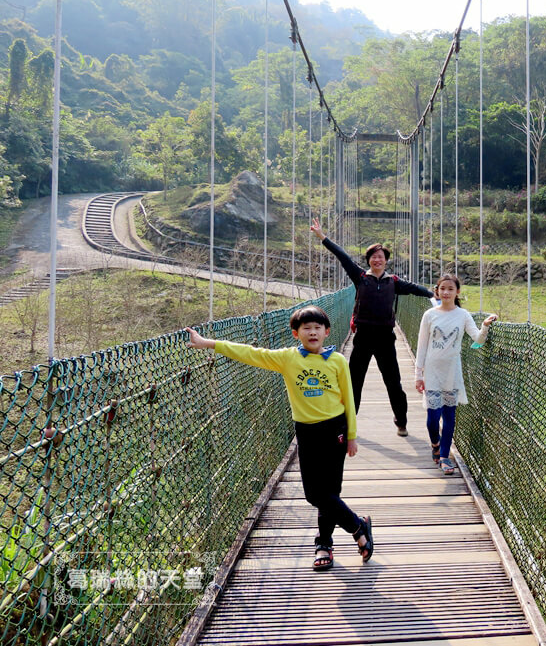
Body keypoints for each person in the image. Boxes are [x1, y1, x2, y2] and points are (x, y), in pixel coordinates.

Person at [184, 306, 373, 572]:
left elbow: (349, 400)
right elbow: (251, 354)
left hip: (335, 429)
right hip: (307, 432)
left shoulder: (338, 360)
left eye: (318, 327)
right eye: (306, 328)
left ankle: (324, 544)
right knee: (314, 494)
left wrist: (351, 435)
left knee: (329, 492)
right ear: (296, 334)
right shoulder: (287, 358)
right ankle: (357, 525)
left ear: (327, 332)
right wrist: (209, 344)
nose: (313, 332)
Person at [311, 219, 434, 436]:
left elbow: (415, 289)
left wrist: (435, 296)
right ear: (369, 260)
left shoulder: (393, 282)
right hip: (363, 337)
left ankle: (401, 421)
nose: (377, 260)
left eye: (381, 257)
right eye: (373, 257)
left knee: (393, 382)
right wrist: (323, 237)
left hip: (386, 338)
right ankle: (349, 424)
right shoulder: (360, 277)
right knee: (354, 382)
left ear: (386, 260)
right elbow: (343, 257)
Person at [414, 273, 497, 475]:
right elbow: (422, 345)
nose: (446, 292)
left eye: (450, 289)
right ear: (437, 290)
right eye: (443, 289)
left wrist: (485, 326)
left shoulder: (463, 315)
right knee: (433, 419)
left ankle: (444, 456)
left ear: (457, 292)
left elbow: (477, 340)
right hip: (432, 372)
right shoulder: (429, 315)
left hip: (452, 372)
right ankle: (435, 442)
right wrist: (418, 374)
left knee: (449, 416)